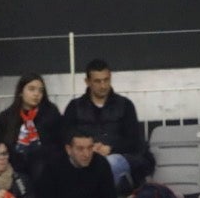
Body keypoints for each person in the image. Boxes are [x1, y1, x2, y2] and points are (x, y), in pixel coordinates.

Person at [63, 60, 150, 189]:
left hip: (119, 157)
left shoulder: (125, 105)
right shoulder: (74, 107)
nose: (103, 85)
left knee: (108, 163)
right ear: (87, 82)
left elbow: (133, 140)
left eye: (106, 80)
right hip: (85, 156)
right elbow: (66, 136)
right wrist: (89, 148)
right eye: (97, 81)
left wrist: (110, 149)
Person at [0, 74, 62, 178]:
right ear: (21, 92)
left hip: (44, 161)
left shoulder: (51, 113)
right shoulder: (7, 116)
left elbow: (59, 142)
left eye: (40, 90)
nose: (36, 94)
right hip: (14, 161)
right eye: (31, 89)